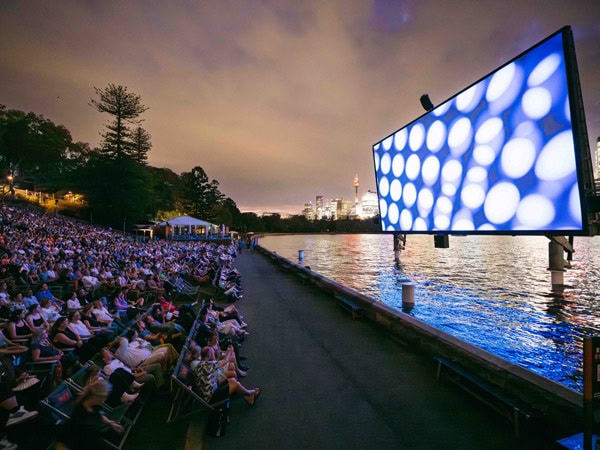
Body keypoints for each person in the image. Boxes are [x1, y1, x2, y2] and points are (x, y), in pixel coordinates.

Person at [56, 379, 124, 450]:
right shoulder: (80, 414)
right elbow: (69, 439)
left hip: (92, 441)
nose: (105, 400)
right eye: (104, 397)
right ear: (97, 397)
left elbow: (99, 416)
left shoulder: (95, 406)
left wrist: (111, 423)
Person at [190, 347, 260, 407]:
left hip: (212, 390)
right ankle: (251, 393)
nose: (213, 353)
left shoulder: (200, 365)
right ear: (209, 354)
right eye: (212, 352)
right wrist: (229, 352)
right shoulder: (207, 365)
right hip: (212, 397)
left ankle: (249, 398)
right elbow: (225, 361)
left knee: (232, 380)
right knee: (236, 384)